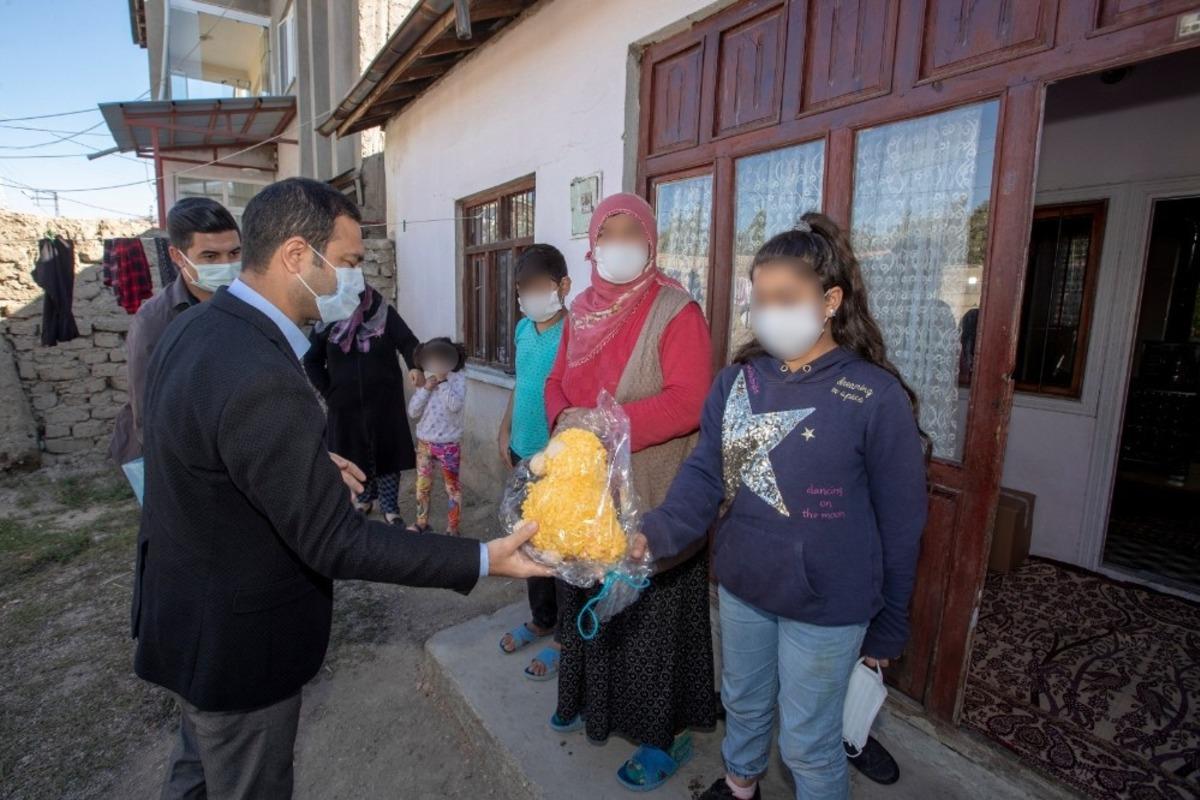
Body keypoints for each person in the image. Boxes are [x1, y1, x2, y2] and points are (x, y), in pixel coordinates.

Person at [133, 177, 549, 800]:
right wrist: (485, 556)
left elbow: (203, 446)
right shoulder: (258, 368)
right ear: (298, 257)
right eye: (349, 262)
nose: (355, 280)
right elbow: (335, 540)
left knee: (195, 777)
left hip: (187, 618)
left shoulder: (198, 330)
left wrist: (302, 455)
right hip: (238, 646)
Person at [630, 213, 929, 800]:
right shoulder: (739, 382)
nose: (769, 311)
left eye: (785, 297)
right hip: (744, 585)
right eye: (760, 298)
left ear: (830, 301)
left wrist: (888, 627)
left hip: (827, 606)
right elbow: (703, 474)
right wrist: (652, 533)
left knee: (807, 744)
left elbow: (902, 525)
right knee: (742, 700)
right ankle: (741, 784)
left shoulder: (873, 396)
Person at [543, 192, 715, 792]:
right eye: (606, 231)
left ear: (650, 240)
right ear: (592, 244)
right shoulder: (579, 312)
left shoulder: (675, 311)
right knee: (587, 599)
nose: (618, 242)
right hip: (583, 500)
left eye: (630, 231)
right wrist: (567, 421)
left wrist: (604, 428)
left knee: (648, 619)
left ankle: (662, 734)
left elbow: (691, 400)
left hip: (651, 495)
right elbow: (556, 383)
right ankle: (589, 704)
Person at [108, 197, 241, 497]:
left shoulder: (243, 302)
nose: (226, 265)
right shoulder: (155, 322)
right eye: (210, 256)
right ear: (177, 256)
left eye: (234, 253)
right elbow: (149, 413)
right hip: (173, 455)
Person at [496, 244, 571, 680]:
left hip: (556, 462)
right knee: (529, 543)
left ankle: (564, 634)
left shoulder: (575, 332)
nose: (530, 297)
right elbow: (521, 385)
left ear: (563, 286)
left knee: (560, 548)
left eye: (540, 287)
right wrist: (505, 431)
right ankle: (541, 617)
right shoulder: (524, 330)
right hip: (522, 453)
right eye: (523, 289)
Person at [303, 279, 423, 524]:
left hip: (385, 401)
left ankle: (391, 509)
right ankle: (363, 499)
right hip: (344, 406)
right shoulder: (327, 318)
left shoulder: (383, 312)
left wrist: (414, 366)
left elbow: (408, 342)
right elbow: (312, 360)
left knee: (387, 455)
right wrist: (329, 392)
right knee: (352, 454)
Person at [406, 337, 467, 535]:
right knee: (422, 486)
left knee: (452, 489)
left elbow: (454, 406)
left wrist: (442, 382)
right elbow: (413, 411)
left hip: (449, 445)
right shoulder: (424, 379)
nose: (438, 363)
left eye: (443, 357)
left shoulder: (458, 380)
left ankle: (453, 527)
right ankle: (421, 522)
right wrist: (426, 389)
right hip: (425, 444)